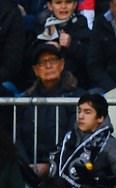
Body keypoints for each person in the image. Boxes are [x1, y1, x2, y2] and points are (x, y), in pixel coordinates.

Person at [18, 44, 81, 174]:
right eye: (43, 62)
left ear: (61, 64)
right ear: (35, 70)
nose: (48, 66)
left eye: (52, 60)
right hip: (30, 167)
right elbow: (17, 136)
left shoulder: (75, 97)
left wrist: (52, 165)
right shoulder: (25, 100)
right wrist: (27, 167)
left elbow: (73, 136)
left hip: (64, 167)